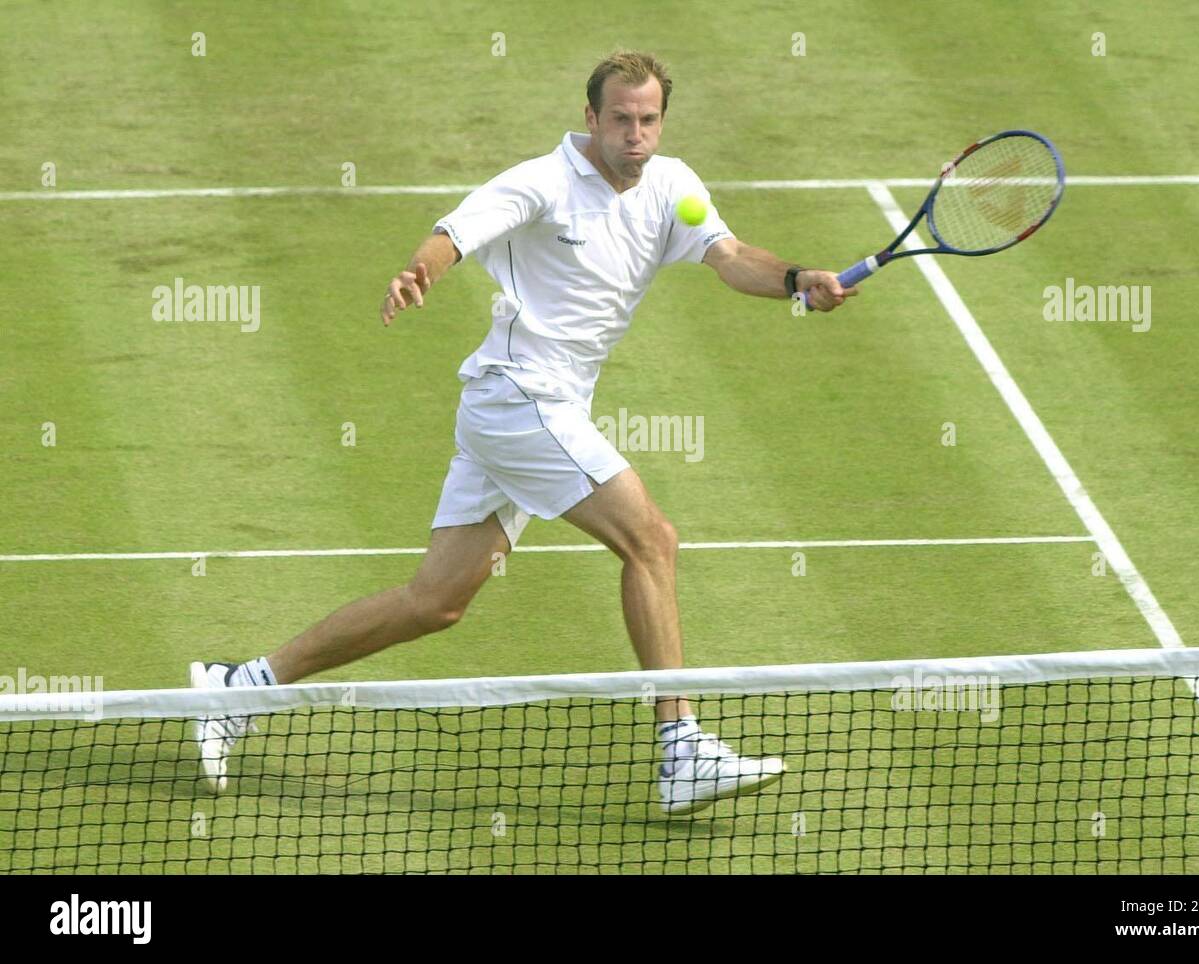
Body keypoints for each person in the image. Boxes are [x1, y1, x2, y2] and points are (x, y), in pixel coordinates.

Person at [192, 49, 857, 814]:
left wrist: (793, 279)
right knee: (652, 540)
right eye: (620, 119)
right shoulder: (542, 181)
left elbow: (730, 256)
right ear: (590, 118)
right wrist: (421, 270)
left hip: (543, 407)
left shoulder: (674, 187)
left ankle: (237, 687)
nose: (635, 135)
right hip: (519, 399)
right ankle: (681, 749)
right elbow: (460, 230)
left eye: (648, 120)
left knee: (434, 601)